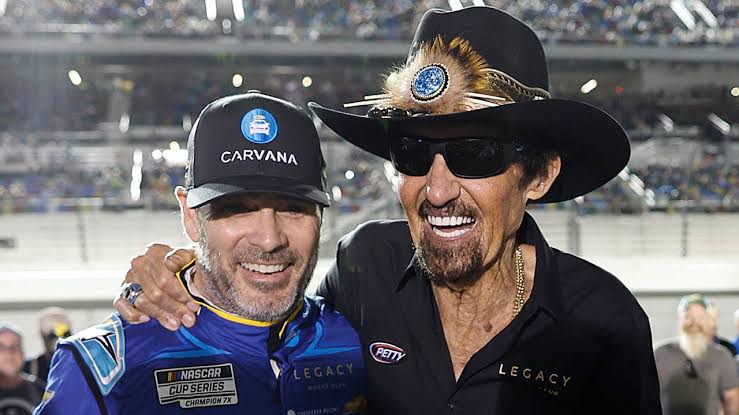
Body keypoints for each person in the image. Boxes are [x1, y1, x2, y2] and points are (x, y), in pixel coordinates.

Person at [115, 6, 662, 414]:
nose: (437, 190)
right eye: (414, 153)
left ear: (538, 176)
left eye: (475, 154)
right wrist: (174, 276)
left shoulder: (603, 322)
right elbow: (268, 310)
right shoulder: (364, 266)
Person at [36, 92, 366, 414]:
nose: (269, 239)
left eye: (294, 208)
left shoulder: (362, 334)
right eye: (237, 209)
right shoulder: (101, 369)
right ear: (190, 217)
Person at [654, 294, 739, 415]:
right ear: (679, 318)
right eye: (688, 316)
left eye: (700, 317)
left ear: (708, 320)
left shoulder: (722, 356)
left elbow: (732, 401)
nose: (694, 323)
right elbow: (647, 395)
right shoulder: (660, 354)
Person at [0, 322, 45, 415]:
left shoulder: (39, 390)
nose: (9, 353)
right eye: (2, 347)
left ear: (23, 352)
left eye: (15, 346)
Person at [22, 307, 71, 384]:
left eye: (64, 335)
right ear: (42, 335)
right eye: (52, 336)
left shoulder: (82, 365)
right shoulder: (28, 368)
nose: (57, 341)